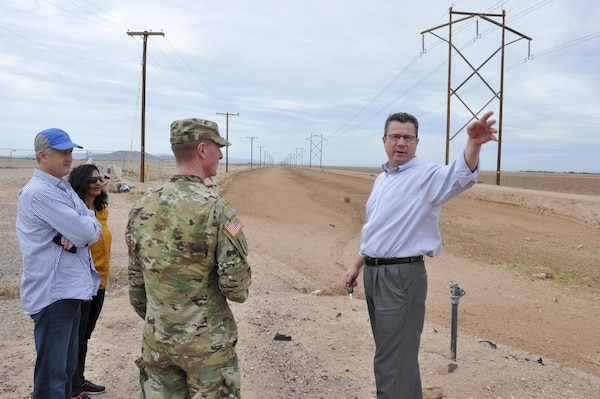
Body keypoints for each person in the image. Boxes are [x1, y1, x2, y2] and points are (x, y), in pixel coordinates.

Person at [343, 111, 497, 399]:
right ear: (384, 140)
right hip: (375, 274)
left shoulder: (426, 176)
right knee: (396, 357)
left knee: (391, 361)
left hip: (401, 277)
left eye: (407, 137)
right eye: (395, 136)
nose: (401, 142)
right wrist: (357, 265)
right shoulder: (382, 180)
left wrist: (473, 144)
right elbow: (375, 231)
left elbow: (461, 175)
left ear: (416, 143)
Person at [125, 118, 252, 399]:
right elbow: (237, 288)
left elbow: (136, 288)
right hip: (206, 351)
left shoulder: (140, 207)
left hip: (158, 343)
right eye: (219, 147)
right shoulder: (218, 210)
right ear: (203, 150)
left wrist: (166, 320)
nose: (221, 154)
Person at [16, 128, 102, 399]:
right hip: (54, 294)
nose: (69, 157)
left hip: (70, 289)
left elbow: (91, 221)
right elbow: (88, 231)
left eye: (70, 151)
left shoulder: (61, 186)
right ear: (43, 155)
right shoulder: (40, 193)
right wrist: (81, 229)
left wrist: (79, 228)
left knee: (64, 373)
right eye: (63, 152)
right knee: (52, 380)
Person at [68, 164, 113, 397]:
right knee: (76, 335)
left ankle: (80, 379)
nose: (97, 183)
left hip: (101, 281)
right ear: (80, 183)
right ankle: (73, 389)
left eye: (100, 179)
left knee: (85, 334)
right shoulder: (73, 211)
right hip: (83, 282)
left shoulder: (101, 208)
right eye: (92, 180)